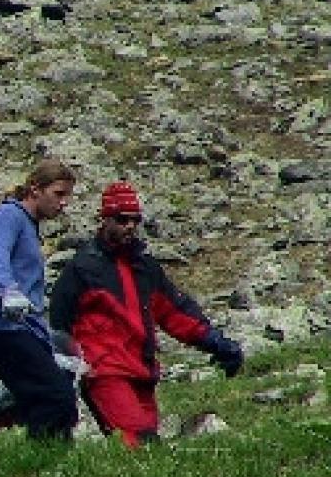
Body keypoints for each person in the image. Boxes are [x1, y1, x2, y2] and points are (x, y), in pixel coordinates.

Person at [49, 181, 244, 448]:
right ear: (105, 219)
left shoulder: (145, 268)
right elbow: (59, 327)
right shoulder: (81, 270)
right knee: (138, 444)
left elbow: (176, 313)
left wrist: (215, 342)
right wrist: (65, 377)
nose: (130, 226)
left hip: (141, 373)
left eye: (135, 220)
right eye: (122, 219)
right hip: (105, 373)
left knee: (148, 448)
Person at [0, 158, 79, 440]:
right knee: (54, 397)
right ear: (35, 189)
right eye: (58, 194)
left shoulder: (27, 225)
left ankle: (47, 457)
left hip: (20, 330)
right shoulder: (9, 216)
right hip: (2, 329)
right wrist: (7, 290)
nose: (64, 203)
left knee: (48, 399)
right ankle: (44, 458)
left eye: (67, 196)